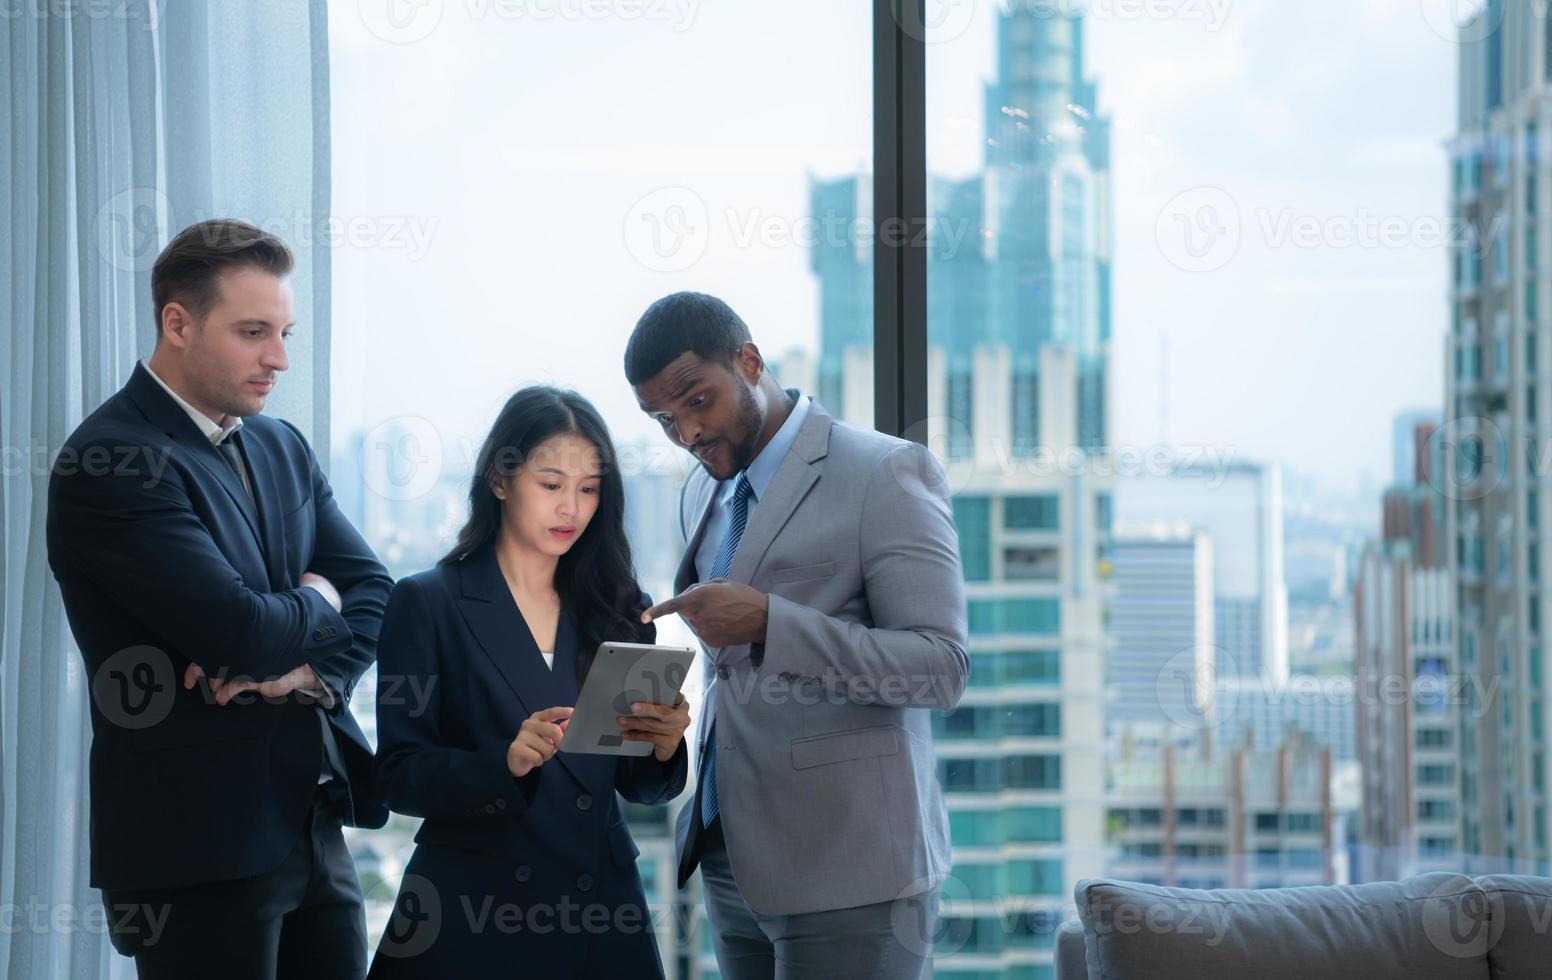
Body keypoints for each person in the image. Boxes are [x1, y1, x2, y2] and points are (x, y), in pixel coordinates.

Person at [46, 219, 392, 979]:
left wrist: (309, 673)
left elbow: (376, 590)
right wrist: (318, 597)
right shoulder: (111, 462)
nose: (279, 358)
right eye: (253, 332)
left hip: (312, 821)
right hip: (195, 850)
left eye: (285, 332)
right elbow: (241, 635)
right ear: (178, 322)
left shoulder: (280, 444)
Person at [625, 291, 970, 979]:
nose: (688, 434)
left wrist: (769, 623)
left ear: (749, 360)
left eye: (698, 402)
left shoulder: (886, 472)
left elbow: (940, 668)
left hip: (854, 869)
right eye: (665, 420)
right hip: (734, 858)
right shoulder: (701, 492)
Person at [368, 385, 690, 978]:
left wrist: (664, 747)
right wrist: (503, 762)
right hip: (476, 911)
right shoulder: (428, 602)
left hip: (600, 911)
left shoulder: (618, 608)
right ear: (499, 480)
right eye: (551, 486)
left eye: (589, 489)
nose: (571, 508)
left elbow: (638, 785)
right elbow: (396, 777)